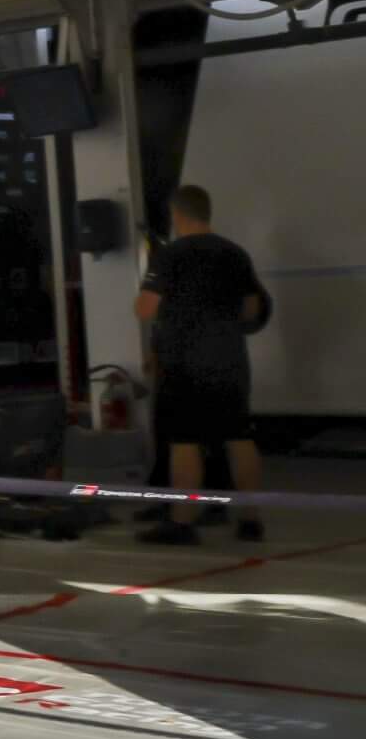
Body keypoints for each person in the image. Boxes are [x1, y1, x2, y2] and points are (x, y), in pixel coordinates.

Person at [137, 184, 269, 544]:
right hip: (230, 359)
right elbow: (252, 308)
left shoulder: (170, 255)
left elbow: (145, 308)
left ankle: (182, 523)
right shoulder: (234, 253)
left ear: (177, 215)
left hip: (186, 362)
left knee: (185, 442)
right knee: (239, 437)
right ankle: (250, 521)